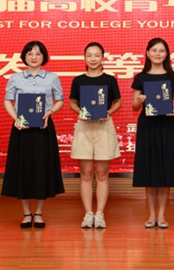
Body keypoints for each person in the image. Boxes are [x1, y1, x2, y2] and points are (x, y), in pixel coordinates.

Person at [1, 41, 65, 229]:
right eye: (30, 53)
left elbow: (60, 100)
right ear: (24, 57)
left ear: (44, 57)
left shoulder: (52, 78)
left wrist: (50, 112)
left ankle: (38, 213)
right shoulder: (15, 78)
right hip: (21, 129)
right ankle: (26, 213)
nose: (34, 57)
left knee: (41, 169)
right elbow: (8, 101)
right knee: (23, 169)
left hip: (43, 128)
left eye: (38, 53)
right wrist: (16, 118)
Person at [131, 38, 174, 229]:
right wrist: (139, 100)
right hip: (148, 125)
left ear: (167, 54)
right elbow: (134, 106)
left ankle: (161, 214)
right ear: (147, 53)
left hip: (168, 125)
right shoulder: (140, 77)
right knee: (150, 169)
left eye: (161, 51)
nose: (158, 54)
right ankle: (151, 214)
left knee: (165, 169)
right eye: (154, 50)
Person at [69, 42, 122, 229]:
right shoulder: (78, 80)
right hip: (84, 127)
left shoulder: (110, 80)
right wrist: (79, 112)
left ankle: (99, 214)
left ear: (102, 58)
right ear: (84, 58)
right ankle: (88, 214)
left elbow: (118, 102)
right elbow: (72, 102)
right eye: (89, 55)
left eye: (97, 55)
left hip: (103, 126)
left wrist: (109, 112)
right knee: (85, 174)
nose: (93, 59)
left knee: (102, 173)